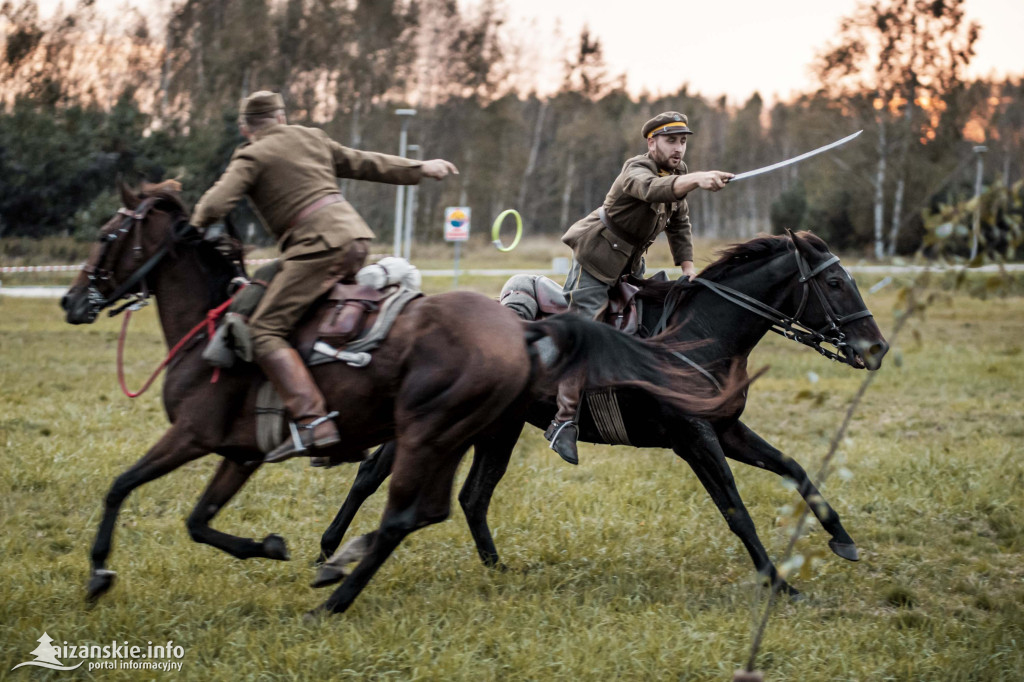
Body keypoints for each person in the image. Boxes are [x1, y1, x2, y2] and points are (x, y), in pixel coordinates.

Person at [191, 91, 458, 465]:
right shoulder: (311, 137)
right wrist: (420, 167)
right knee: (306, 314)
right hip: (355, 239)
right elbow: (366, 163)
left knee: (264, 330)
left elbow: (216, 206)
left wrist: (193, 224)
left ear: (244, 127)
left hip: (316, 249)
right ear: (281, 117)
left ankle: (314, 421)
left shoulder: (251, 154)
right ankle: (349, 417)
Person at [546, 111, 734, 465]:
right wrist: (696, 179)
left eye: (683, 141)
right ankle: (563, 421)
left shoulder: (678, 173)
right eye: (670, 141)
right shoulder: (636, 169)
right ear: (652, 143)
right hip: (596, 259)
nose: (678, 148)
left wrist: (689, 269)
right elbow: (652, 191)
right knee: (582, 333)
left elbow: (679, 224)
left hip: (632, 264)